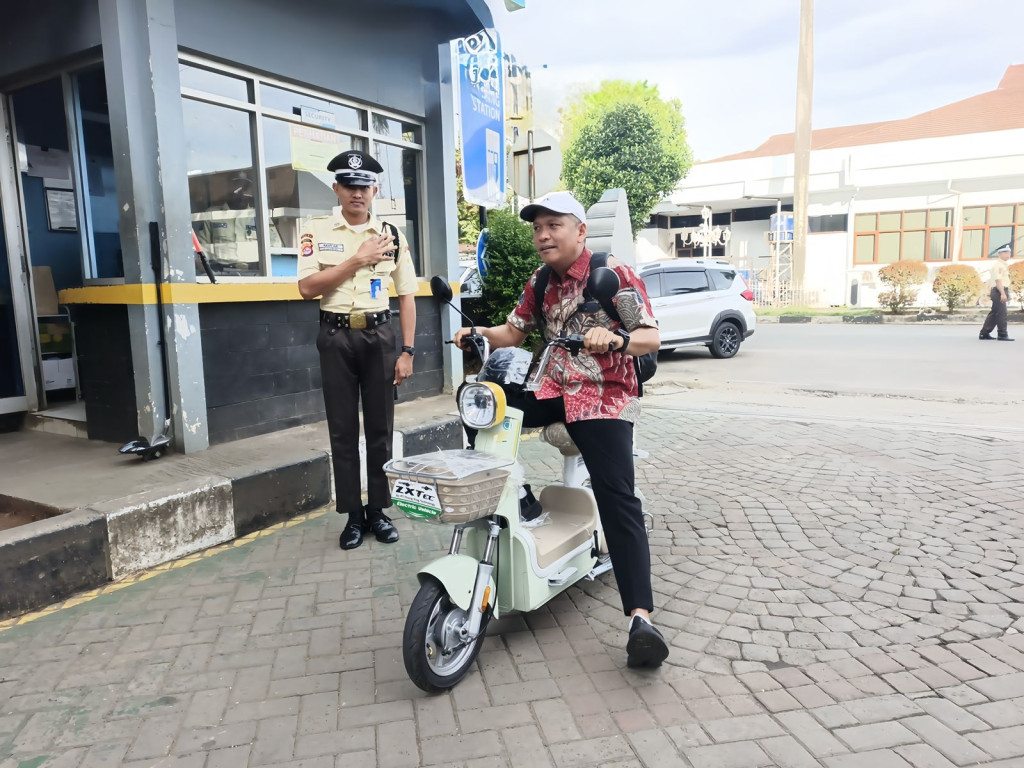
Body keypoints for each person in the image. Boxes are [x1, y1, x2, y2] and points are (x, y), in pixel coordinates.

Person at [453, 191, 668, 668]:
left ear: (580, 230)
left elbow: (652, 335)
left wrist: (614, 337)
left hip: (602, 395)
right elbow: (515, 331)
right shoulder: (540, 281)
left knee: (618, 498)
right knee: (480, 406)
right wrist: (479, 333)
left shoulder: (611, 274)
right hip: (552, 388)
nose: (543, 235)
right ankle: (522, 496)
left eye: (553, 225)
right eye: (537, 228)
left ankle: (641, 618)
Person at [298, 150, 418, 550]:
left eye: (364, 186)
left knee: (381, 429)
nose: (357, 193)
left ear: (375, 190)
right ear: (336, 188)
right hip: (335, 338)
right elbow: (307, 288)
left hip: (380, 338)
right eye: (349, 185)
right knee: (344, 430)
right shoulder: (316, 231)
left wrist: (407, 351)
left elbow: (406, 296)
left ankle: (379, 512)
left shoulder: (392, 235)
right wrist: (356, 260)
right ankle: (352, 516)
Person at [980, 244, 1014, 341]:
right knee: (1001, 313)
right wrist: (1003, 293)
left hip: (1000, 290)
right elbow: (998, 281)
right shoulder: (998, 265)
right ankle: (1002, 334)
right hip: (999, 290)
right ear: (999, 254)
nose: (1008, 254)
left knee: (995, 313)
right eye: (1006, 252)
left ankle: (984, 333)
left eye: (1009, 252)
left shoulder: (1003, 264)